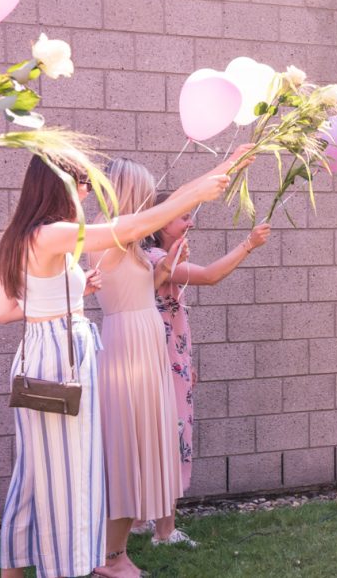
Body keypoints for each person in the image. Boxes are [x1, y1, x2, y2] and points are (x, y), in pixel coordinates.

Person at [0, 152, 231, 578]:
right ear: (59, 186)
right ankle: (79, 564)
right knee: (69, 470)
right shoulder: (57, 233)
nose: (88, 191)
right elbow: (133, 226)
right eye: (81, 182)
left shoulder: (19, 235)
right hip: (62, 357)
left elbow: (6, 311)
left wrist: (69, 295)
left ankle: (39, 567)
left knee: (35, 472)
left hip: (46, 350)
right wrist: (200, 187)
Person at [89, 150, 247, 578]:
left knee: (139, 452)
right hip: (129, 351)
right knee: (125, 453)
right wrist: (226, 164)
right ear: (128, 196)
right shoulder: (111, 234)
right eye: (143, 193)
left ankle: (116, 553)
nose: (150, 202)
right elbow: (175, 204)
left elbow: (151, 284)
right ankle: (110, 558)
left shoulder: (128, 243)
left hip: (145, 346)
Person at [141, 200, 271, 542]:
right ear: (162, 224)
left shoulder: (160, 261)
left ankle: (147, 522)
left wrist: (185, 362)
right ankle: (163, 531)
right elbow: (210, 276)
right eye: (184, 217)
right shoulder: (156, 260)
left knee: (162, 437)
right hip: (159, 364)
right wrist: (248, 244)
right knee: (169, 438)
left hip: (170, 361)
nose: (190, 223)